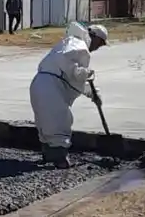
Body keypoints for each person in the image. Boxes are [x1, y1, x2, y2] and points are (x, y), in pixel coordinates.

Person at [29, 22, 109, 168]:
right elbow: (64, 61)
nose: (98, 48)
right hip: (50, 85)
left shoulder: (75, 45)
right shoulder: (77, 43)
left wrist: (93, 93)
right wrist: (80, 72)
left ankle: (49, 155)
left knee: (47, 123)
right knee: (59, 122)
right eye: (100, 43)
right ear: (94, 37)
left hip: (44, 83)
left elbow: (73, 81)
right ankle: (60, 160)